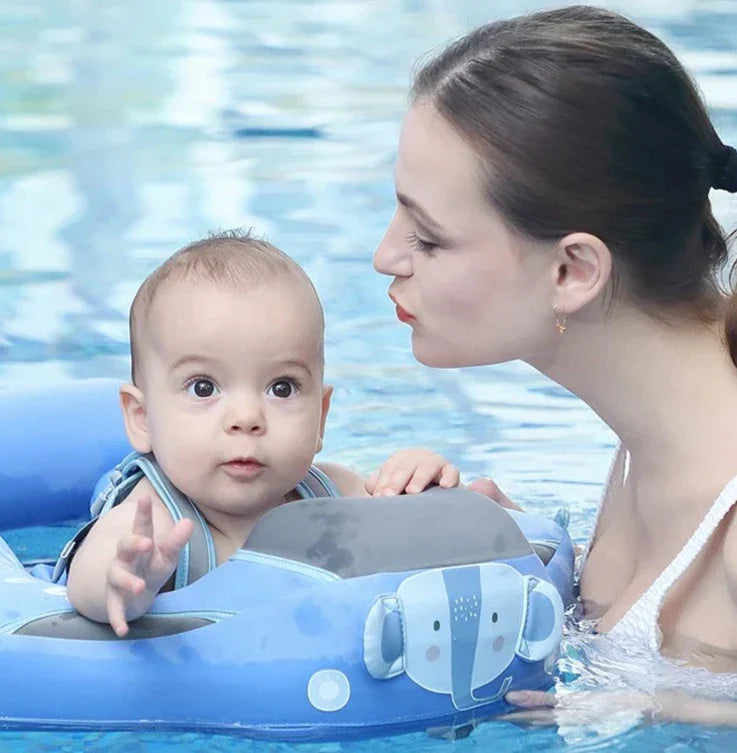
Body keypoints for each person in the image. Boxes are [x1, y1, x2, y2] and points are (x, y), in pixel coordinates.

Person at [373, 4, 737, 725]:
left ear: (572, 270)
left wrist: (653, 707)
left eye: (429, 237)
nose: (386, 256)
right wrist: (520, 545)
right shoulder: (647, 441)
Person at [66, 230, 460, 637]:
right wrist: (124, 583)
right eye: (203, 387)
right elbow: (89, 579)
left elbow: (419, 539)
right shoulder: (153, 519)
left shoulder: (334, 492)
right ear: (142, 419)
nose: (247, 417)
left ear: (321, 417)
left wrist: (418, 482)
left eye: (282, 388)